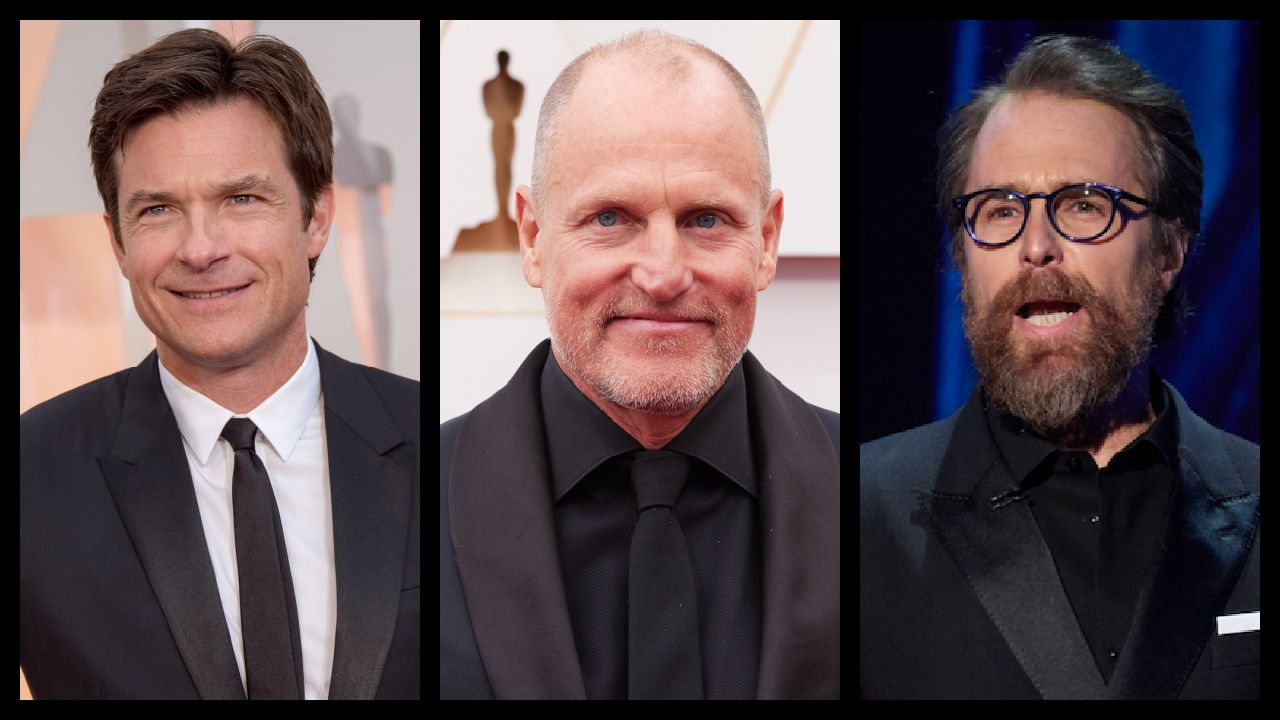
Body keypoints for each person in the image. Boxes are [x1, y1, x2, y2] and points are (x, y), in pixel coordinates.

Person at [19, 29, 419, 700]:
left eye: (241, 198)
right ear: (117, 240)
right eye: (158, 210)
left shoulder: (443, 447)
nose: (200, 249)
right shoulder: (33, 474)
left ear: (317, 215)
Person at [440, 30, 839, 700]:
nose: (662, 274)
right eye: (610, 218)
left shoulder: (871, 495)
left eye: (706, 219)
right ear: (533, 238)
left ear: (766, 240)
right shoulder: (414, 492)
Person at [859, 35, 1258, 700]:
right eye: (1000, 211)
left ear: (1170, 250)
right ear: (963, 261)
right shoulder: (854, 516)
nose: (1035, 248)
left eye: (1083, 205)